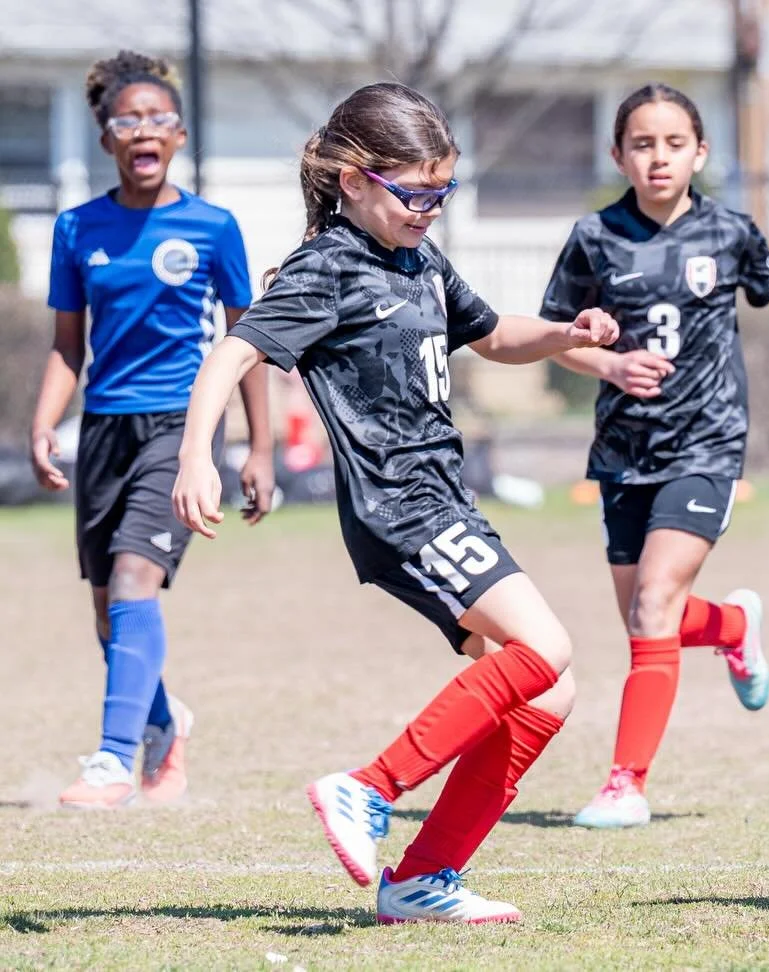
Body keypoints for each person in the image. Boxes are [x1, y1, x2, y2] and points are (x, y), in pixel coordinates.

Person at [171, 82, 620, 925]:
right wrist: (200, 456)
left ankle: (422, 878)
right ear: (354, 181)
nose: (430, 210)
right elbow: (232, 353)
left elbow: (491, 336)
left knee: (545, 692)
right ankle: (368, 788)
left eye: (441, 193)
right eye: (415, 194)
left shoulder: (419, 259)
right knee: (546, 647)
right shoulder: (328, 264)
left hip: (443, 498)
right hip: (402, 505)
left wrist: (565, 334)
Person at [540, 82, 769, 828]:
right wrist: (605, 360)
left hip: (707, 441)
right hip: (622, 449)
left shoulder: (730, 231)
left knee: (651, 605)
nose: (659, 157)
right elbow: (552, 336)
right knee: (646, 615)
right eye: (642, 143)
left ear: (700, 152)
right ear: (618, 155)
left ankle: (625, 785)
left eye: (674, 143)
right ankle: (735, 629)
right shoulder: (594, 237)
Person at [31, 50, 274, 809]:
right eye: (127, 118)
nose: (143, 129)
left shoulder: (212, 227)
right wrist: (45, 423)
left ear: (178, 136)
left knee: (139, 579)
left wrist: (259, 446)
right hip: (105, 429)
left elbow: (249, 342)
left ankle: (111, 760)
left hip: (182, 428)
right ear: (106, 136)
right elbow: (69, 345)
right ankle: (166, 725)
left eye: (158, 118)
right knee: (110, 608)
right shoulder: (78, 228)